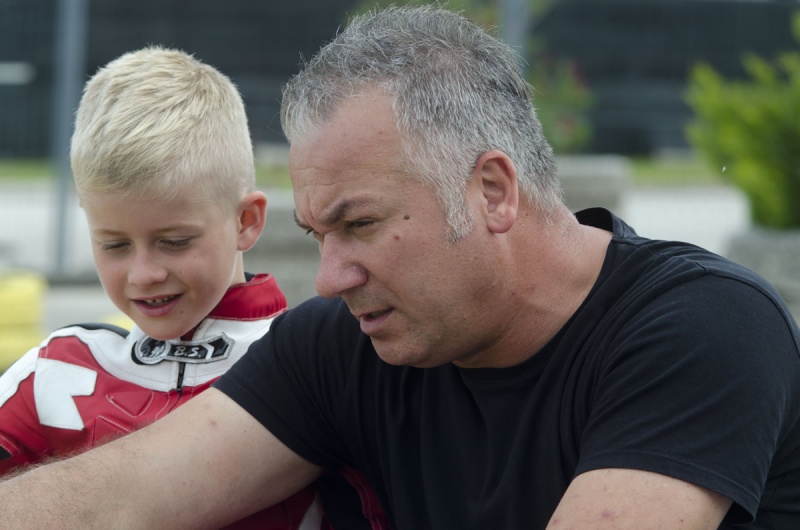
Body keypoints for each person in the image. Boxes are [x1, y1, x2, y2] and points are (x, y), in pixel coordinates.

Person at [3, 6, 800, 529]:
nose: (329, 277)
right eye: (318, 234)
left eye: (360, 225)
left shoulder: (704, 326)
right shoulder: (342, 345)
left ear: (492, 191)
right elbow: (123, 499)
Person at [0, 46, 328, 529]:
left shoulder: (325, 368)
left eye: (174, 242)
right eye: (114, 245)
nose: (143, 274)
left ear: (246, 221)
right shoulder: (55, 372)